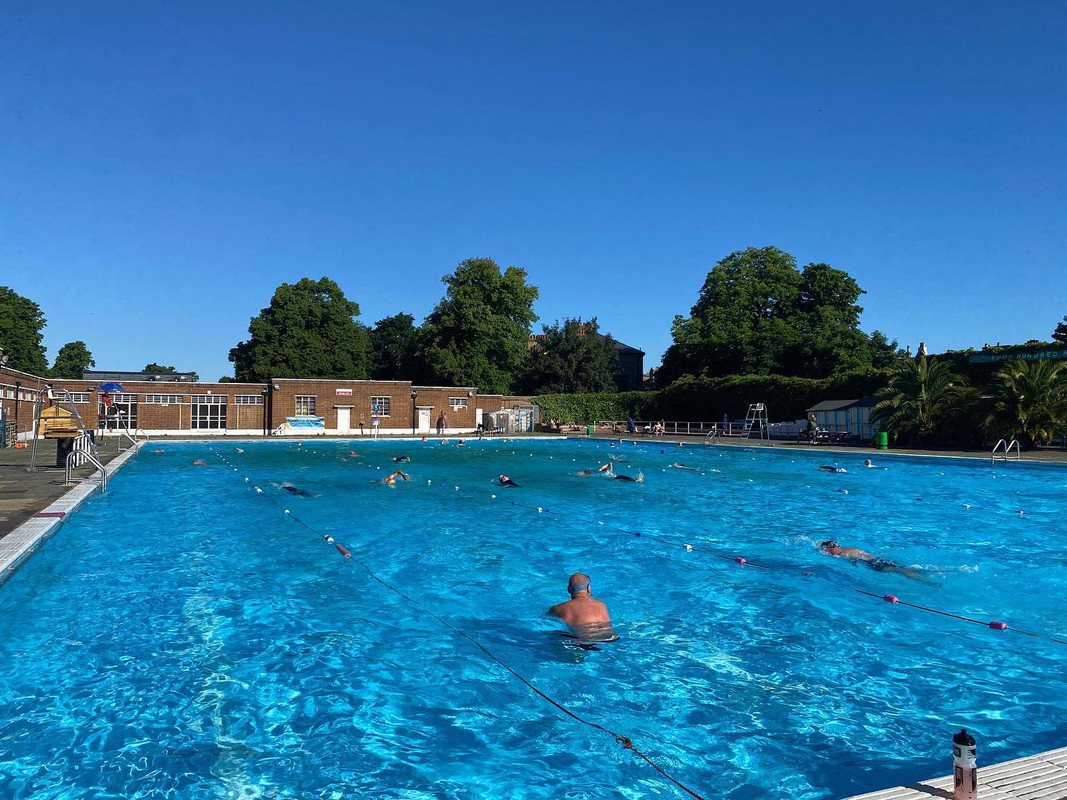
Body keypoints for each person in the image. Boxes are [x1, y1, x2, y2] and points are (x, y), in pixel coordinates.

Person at [549, 573, 617, 642]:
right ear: (588, 588)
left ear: (568, 590)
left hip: (580, 641)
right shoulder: (602, 605)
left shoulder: (558, 609)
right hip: (610, 638)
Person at [819, 540, 918, 579]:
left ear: (827, 547)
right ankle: (920, 572)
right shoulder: (850, 548)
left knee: (899, 570)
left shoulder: (831, 551)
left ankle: (922, 580)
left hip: (870, 563)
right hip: (875, 559)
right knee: (900, 568)